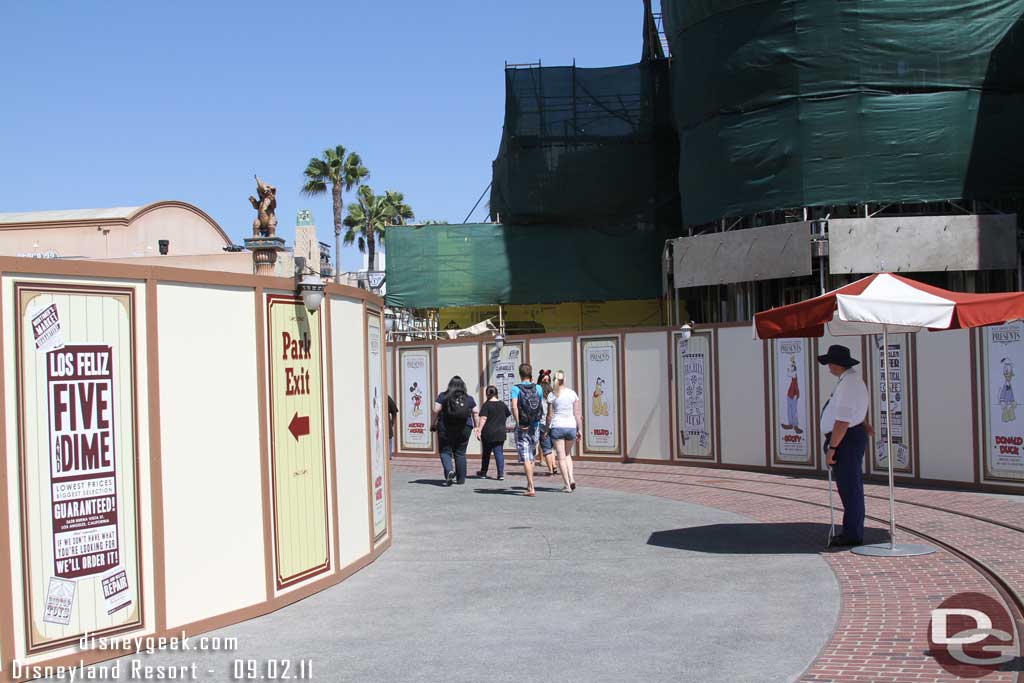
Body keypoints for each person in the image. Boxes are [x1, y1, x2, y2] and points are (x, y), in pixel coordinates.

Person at [818, 344, 872, 547]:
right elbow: (852, 411)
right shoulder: (850, 380)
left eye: (829, 363)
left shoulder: (849, 383)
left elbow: (842, 421)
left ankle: (852, 534)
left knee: (850, 488)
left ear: (835, 364)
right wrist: (863, 421)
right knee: (850, 487)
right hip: (849, 436)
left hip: (846, 439)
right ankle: (852, 530)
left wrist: (832, 448)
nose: (828, 367)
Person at [432, 376, 478, 486]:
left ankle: (449, 471)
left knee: (445, 451)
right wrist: (477, 426)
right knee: (460, 453)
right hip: (465, 427)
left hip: (445, 427)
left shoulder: (443, 396)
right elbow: (476, 412)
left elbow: (436, 410)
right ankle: (461, 479)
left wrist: (432, 424)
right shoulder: (469, 398)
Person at [511, 363, 545, 497]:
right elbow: (540, 405)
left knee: (525, 455)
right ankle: (529, 482)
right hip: (535, 425)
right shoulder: (538, 387)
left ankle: (531, 486)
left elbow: (514, 406)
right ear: (531, 374)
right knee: (531, 453)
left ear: (520, 374)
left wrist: (518, 422)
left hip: (523, 425)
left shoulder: (516, 388)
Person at [546, 369, 582, 492]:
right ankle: (571, 478)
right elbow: (577, 414)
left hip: (557, 427)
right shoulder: (572, 394)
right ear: (564, 379)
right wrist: (580, 429)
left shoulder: (552, 395)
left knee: (560, 457)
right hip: (571, 426)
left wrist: (546, 428)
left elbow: (549, 416)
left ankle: (567, 485)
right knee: (567, 454)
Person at [475, 385, 510, 480]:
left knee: (486, 453)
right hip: (500, 432)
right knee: (499, 453)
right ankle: (501, 474)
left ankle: (483, 472)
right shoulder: (502, 404)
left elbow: (483, 418)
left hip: (488, 433)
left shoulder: (486, 405)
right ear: (496, 393)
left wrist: (479, 430)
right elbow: (507, 415)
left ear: (487, 394)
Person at [536, 369, 558, 475]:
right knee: (552, 447)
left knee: (546, 448)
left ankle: (551, 469)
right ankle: (554, 465)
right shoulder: (553, 396)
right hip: (554, 424)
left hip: (542, 424)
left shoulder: (538, 396)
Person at [387, 394, 399, 459]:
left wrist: (392, 423)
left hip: (387, 424)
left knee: (388, 438)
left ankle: (389, 456)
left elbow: (394, 411)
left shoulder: (386, 397)